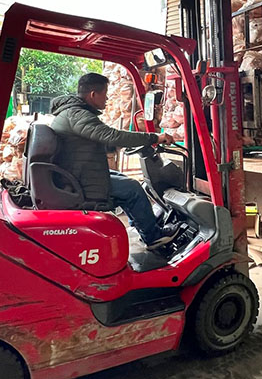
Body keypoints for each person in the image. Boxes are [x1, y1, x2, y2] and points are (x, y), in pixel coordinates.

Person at [50, 72, 180, 249]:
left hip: (77, 172)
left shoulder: (72, 113)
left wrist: (112, 146)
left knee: (125, 180)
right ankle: (153, 236)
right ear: (93, 94)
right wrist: (154, 138)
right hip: (78, 180)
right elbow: (112, 136)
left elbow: (94, 141)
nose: (107, 98)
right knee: (133, 189)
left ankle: (142, 225)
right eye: (105, 93)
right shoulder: (78, 115)